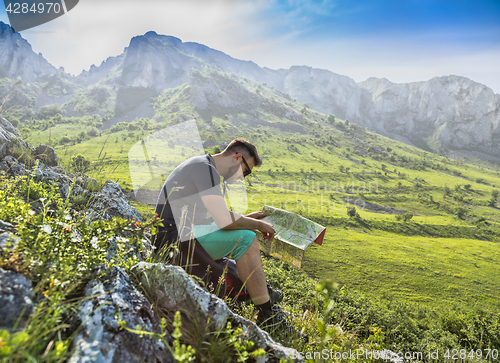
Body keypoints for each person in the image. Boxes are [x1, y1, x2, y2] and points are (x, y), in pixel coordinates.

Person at [154, 138, 307, 341]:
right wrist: (257, 225)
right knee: (246, 239)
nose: (243, 178)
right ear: (237, 158)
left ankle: (266, 303)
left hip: (183, 235)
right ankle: (268, 316)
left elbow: (212, 218)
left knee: (244, 236)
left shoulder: (204, 166)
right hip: (175, 240)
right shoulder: (203, 168)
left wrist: (247, 219)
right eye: (246, 172)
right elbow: (224, 220)